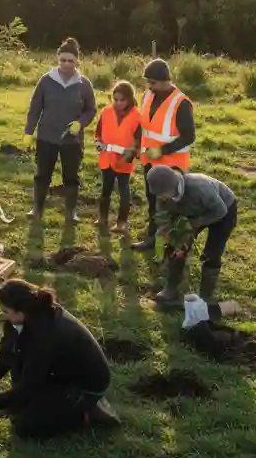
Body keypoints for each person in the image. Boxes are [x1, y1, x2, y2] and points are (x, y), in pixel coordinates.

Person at [0, 279, 119, 439]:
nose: (3, 316)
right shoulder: (25, 317)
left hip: (84, 385)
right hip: (57, 370)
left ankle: (88, 412)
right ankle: (35, 402)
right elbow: (8, 350)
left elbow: (30, 384)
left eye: (5, 312)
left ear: (20, 312)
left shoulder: (46, 335)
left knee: (27, 427)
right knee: (21, 393)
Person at [23, 37, 97, 223]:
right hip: (47, 137)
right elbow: (35, 108)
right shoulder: (46, 81)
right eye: (62, 60)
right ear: (58, 59)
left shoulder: (84, 84)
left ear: (77, 62)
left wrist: (80, 123)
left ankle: (71, 212)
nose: (66, 64)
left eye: (70, 61)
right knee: (42, 174)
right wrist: (28, 132)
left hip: (72, 141)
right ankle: (37, 209)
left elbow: (91, 109)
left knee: (71, 177)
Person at [146, 165, 238, 305]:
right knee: (177, 245)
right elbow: (164, 219)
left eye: (163, 194)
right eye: (158, 194)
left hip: (223, 210)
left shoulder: (199, 187)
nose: (160, 197)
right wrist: (164, 235)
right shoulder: (162, 195)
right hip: (192, 213)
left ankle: (205, 297)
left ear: (173, 185)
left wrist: (195, 223)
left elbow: (220, 211)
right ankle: (171, 289)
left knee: (212, 253)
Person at [131, 59, 196, 252]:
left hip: (172, 164)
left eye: (152, 83)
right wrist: (136, 146)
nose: (149, 86)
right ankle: (154, 239)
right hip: (149, 161)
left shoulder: (181, 103)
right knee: (152, 201)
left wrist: (162, 150)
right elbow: (143, 126)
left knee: (170, 208)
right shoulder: (147, 96)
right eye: (147, 82)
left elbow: (189, 136)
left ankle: (172, 244)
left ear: (165, 80)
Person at [94, 80, 141, 234]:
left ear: (130, 98)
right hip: (107, 158)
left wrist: (127, 157)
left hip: (124, 161)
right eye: (116, 100)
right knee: (105, 189)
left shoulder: (137, 116)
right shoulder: (106, 112)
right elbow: (98, 132)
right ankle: (102, 218)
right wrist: (98, 142)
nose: (119, 103)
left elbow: (138, 142)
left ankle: (121, 222)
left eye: (123, 100)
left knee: (123, 191)